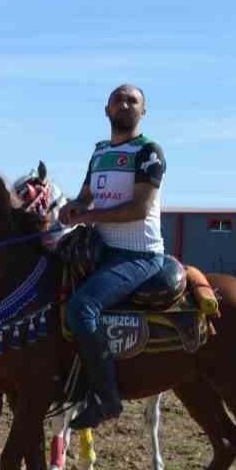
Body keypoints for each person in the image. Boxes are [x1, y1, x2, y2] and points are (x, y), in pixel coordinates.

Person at [58, 84, 168, 429]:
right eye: (118, 100)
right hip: (100, 248)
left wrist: (88, 216)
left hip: (138, 254)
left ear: (143, 112)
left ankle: (106, 397)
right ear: (107, 109)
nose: (125, 104)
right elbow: (86, 196)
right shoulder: (100, 152)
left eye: (133, 101)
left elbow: (139, 208)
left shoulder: (148, 152)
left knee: (82, 307)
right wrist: (74, 207)